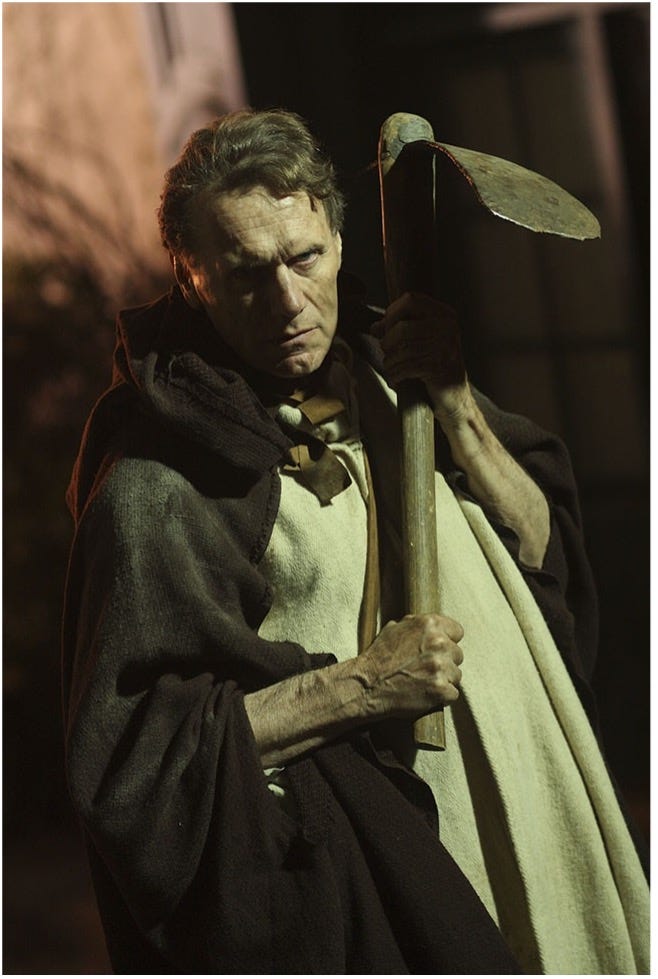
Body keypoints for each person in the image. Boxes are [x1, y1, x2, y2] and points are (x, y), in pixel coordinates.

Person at [62, 108, 649, 974]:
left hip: (539, 821)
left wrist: (457, 410)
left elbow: (540, 555)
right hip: (396, 878)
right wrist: (360, 687)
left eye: (304, 258)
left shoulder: (387, 366)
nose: (288, 302)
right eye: (247, 273)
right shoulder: (160, 477)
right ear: (191, 277)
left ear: (337, 240)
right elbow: (137, 768)